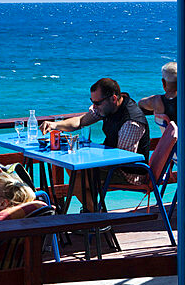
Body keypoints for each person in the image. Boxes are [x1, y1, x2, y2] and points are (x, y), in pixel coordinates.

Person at [40, 78, 150, 211]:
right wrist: (55, 125)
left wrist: (87, 153)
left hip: (130, 174)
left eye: (97, 103)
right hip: (114, 163)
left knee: (77, 182)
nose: (94, 106)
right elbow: (80, 121)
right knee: (73, 169)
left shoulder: (131, 122)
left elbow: (121, 160)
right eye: (92, 102)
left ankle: (96, 218)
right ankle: (94, 214)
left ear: (114, 98)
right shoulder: (109, 106)